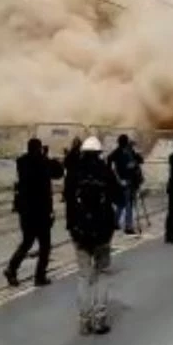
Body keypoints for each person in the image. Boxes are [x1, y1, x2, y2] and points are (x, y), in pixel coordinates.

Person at [67, 134, 122, 334]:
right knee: (102, 274)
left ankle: (84, 321)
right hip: (102, 232)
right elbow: (118, 197)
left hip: (80, 231)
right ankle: (100, 318)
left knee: (83, 276)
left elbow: (68, 201)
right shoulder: (106, 171)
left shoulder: (74, 173)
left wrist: (72, 227)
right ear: (99, 153)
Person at [4, 137, 63, 288]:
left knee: (27, 242)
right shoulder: (43, 163)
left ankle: (12, 268)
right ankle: (40, 276)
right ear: (39, 149)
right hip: (41, 211)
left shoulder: (22, 162)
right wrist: (46, 156)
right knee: (45, 246)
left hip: (26, 211)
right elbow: (58, 172)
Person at [108, 133, 143, 235]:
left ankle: (115, 222)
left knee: (122, 203)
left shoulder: (127, 151)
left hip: (126, 180)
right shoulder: (120, 152)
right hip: (124, 180)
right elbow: (110, 160)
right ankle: (128, 226)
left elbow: (140, 160)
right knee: (128, 204)